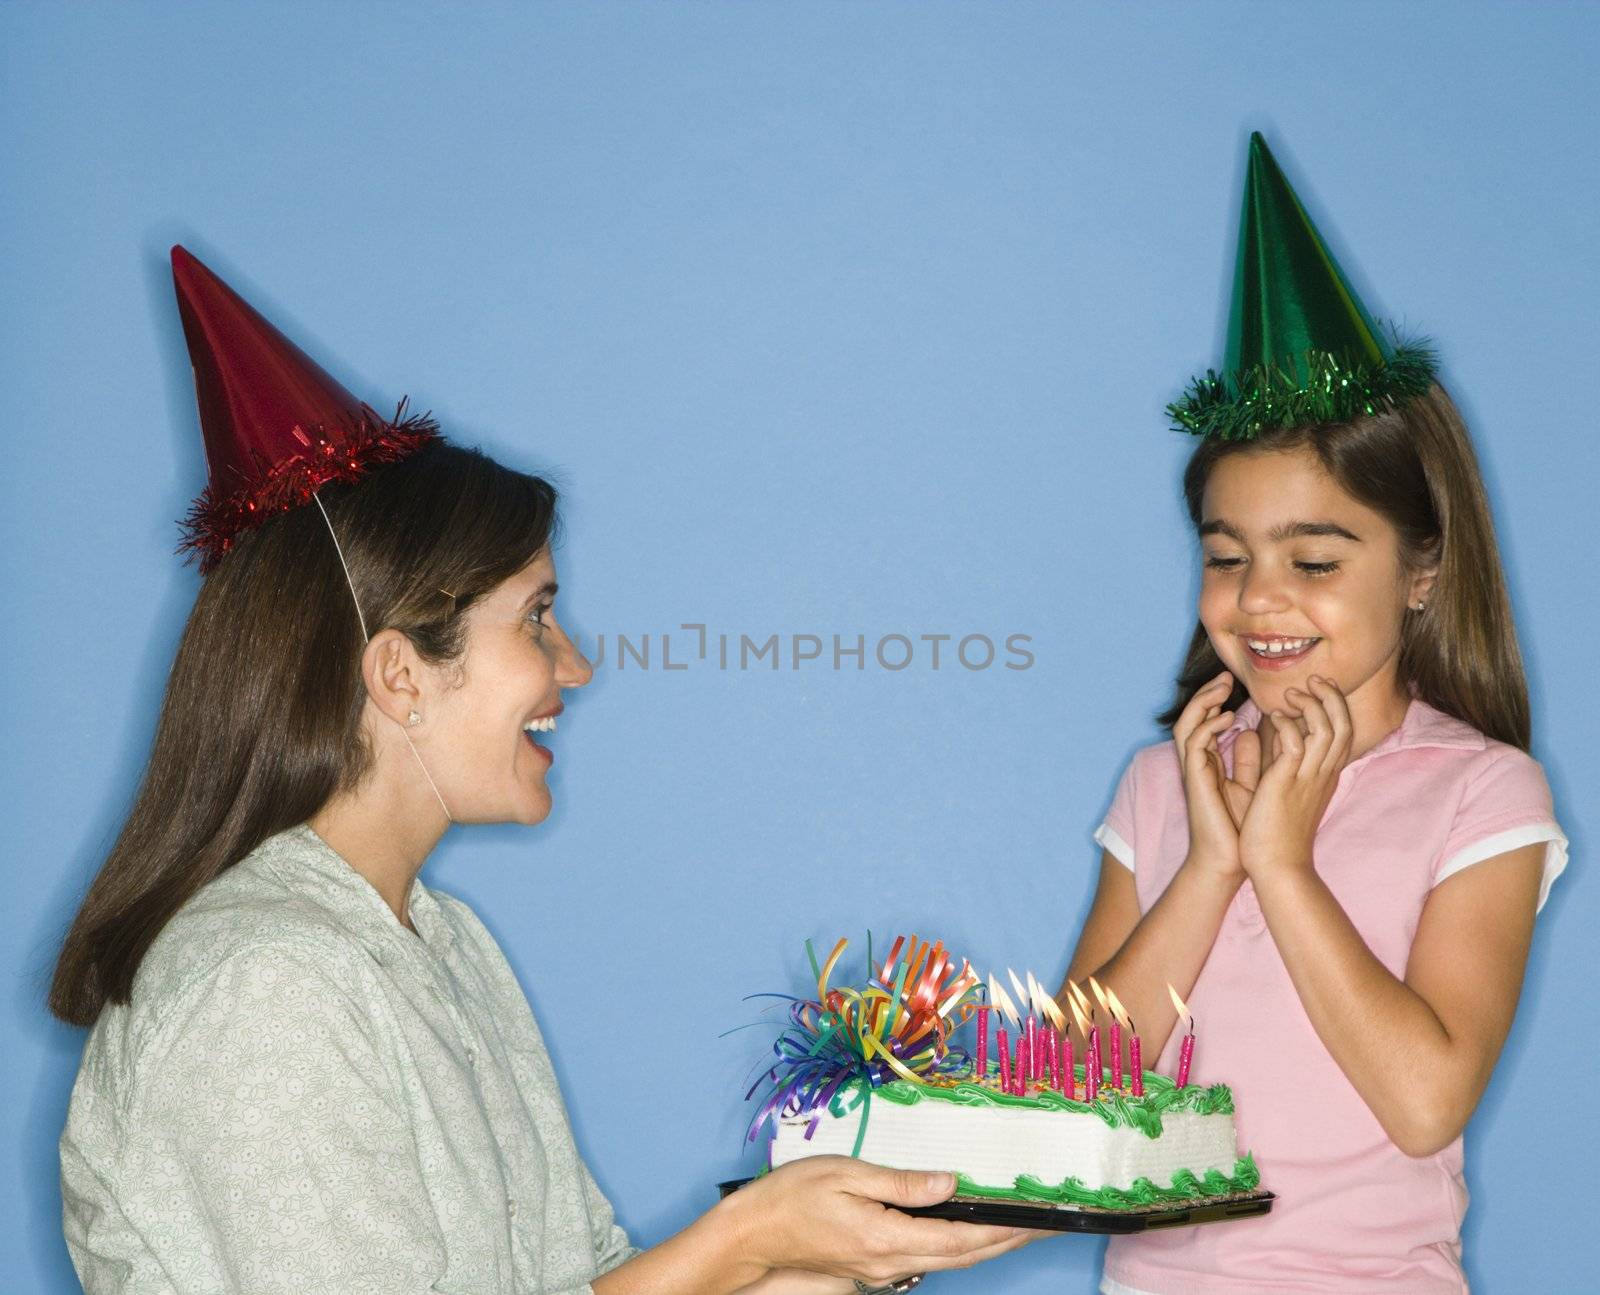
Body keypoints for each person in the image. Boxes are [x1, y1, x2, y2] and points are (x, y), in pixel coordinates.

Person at [51, 246, 1037, 1294]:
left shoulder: (443, 943)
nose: (576, 663)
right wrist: (744, 1238)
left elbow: (584, 1278)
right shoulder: (264, 984)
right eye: (535, 617)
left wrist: (830, 1251)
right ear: (400, 673)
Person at [1056, 133, 1568, 1295]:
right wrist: (1207, 865)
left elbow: (1424, 1096)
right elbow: (1067, 1099)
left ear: (1421, 570)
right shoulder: (1162, 783)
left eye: (1316, 559)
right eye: (1227, 555)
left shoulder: (1482, 792)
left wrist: (1281, 867)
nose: (1259, 600)